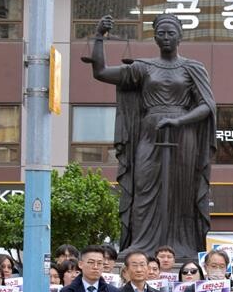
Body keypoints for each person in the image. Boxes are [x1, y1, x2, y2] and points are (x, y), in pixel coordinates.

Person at [91, 14, 216, 258]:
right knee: (144, 184)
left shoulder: (193, 67)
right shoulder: (143, 67)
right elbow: (101, 72)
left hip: (183, 135)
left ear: (180, 36)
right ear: (155, 37)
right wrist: (98, 37)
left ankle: (181, 247)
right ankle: (142, 243)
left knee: (182, 189)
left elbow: (207, 105)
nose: (166, 38)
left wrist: (179, 120)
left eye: (171, 33)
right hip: (150, 132)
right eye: (161, 33)